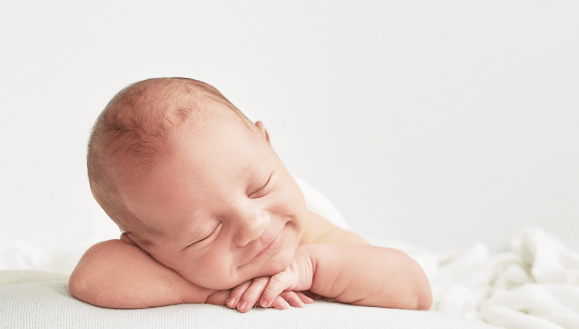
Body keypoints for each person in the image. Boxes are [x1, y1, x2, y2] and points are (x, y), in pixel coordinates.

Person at [69, 77, 432, 313]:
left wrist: (308, 266)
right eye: (206, 233)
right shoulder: (163, 254)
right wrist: (208, 293)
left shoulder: (309, 230)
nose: (253, 225)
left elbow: (414, 291)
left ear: (267, 144)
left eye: (260, 187)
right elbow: (89, 277)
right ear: (145, 247)